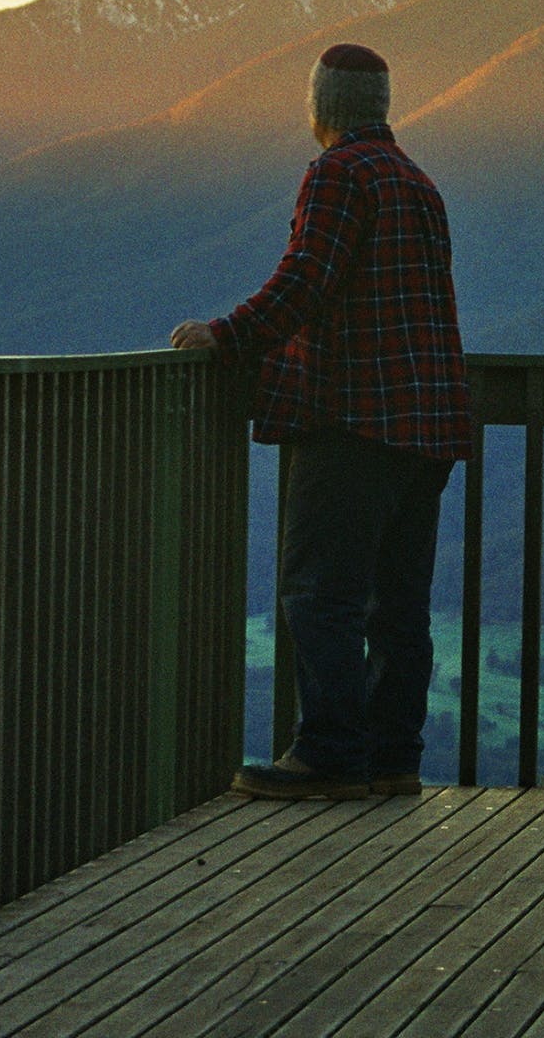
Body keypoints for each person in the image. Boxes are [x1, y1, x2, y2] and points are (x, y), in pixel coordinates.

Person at [170, 42, 471, 800]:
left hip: (354, 419)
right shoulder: (417, 181)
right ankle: (394, 755)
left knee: (319, 592)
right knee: (399, 606)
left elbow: (306, 278)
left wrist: (227, 334)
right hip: (429, 423)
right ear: (382, 104)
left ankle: (331, 752)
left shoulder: (337, 175)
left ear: (322, 106)